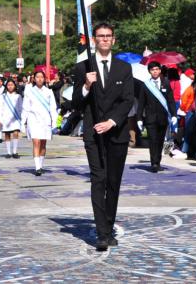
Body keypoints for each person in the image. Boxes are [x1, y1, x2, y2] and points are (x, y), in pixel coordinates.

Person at [72, 22, 134, 251]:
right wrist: (87, 86)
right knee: (98, 180)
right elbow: (76, 103)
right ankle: (101, 233)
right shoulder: (83, 68)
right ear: (95, 40)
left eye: (108, 36)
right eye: (101, 36)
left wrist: (112, 122)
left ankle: (108, 225)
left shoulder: (123, 68)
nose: (105, 39)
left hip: (116, 132)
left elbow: (128, 100)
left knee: (113, 182)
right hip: (93, 133)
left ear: (114, 39)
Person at [137, 61, 177, 172]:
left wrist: (174, 115)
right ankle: (153, 163)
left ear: (160, 70)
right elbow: (141, 103)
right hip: (150, 118)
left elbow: (171, 101)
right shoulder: (145, 85)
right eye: (152, 70)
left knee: (160, 141)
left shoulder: (166, 83)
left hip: (163, 117)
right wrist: (139, 118)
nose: (155, 71)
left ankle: (158, 162)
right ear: (149, 71)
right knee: (152, 141)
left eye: (157, 69)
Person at [22, 71, 58, 175]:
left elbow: (53, 108)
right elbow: (25, 107)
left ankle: (41, 165)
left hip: (45, 120)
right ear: (34, 79)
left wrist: (54, 122)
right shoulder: (29, 91)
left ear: (44, 79)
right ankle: (37, 168)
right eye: (37, 77)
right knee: (36, 142)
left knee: (43, 144)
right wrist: (22, 122)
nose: (39, 79)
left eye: (41, 77)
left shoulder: (49, 92)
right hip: (33, 119)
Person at [0, 78, 23, 158]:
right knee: (7, 134)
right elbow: (0, 107)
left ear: (15, 86)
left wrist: (20, 117)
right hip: (6, 118)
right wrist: (0, 118)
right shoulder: (3, 96)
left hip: (15, 118)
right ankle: (9, 152)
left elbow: (20, 107)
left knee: (16, 133)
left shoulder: (18, 96)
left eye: (12, 85)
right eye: (8, 85)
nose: (10, 87)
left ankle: (15, 152)